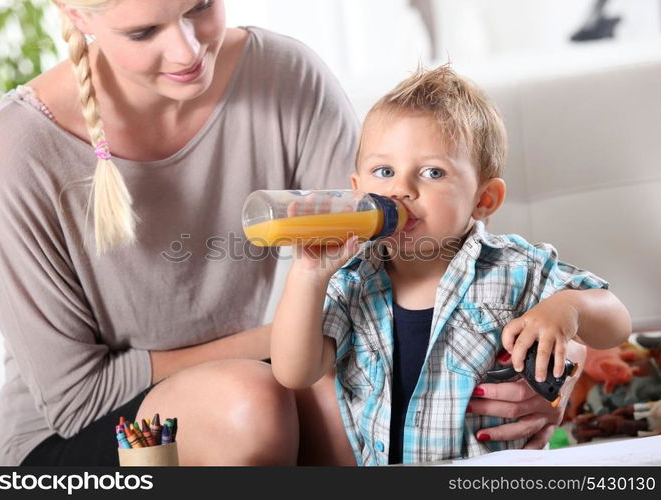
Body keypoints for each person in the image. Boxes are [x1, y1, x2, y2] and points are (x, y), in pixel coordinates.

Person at [0, 0, 582, 466]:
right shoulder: (13, 151)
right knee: (256, 398)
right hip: (80, 441)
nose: (186, 52)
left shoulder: (288, 78)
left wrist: (543, 359)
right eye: (143, 31)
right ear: (73, 13)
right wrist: (295, 329)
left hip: (255, 385)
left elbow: (402, 267)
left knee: (352, 392)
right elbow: (79, 396)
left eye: (200, 5)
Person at [269, 65, 632, 465]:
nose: (401, 189)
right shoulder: (350, 280)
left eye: (432, 172)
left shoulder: (513, 267)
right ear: (356, 191)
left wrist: (568, 308)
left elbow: (616, 322)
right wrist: (308, 274)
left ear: (484, 199)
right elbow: (294, 372)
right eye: (384, 171)